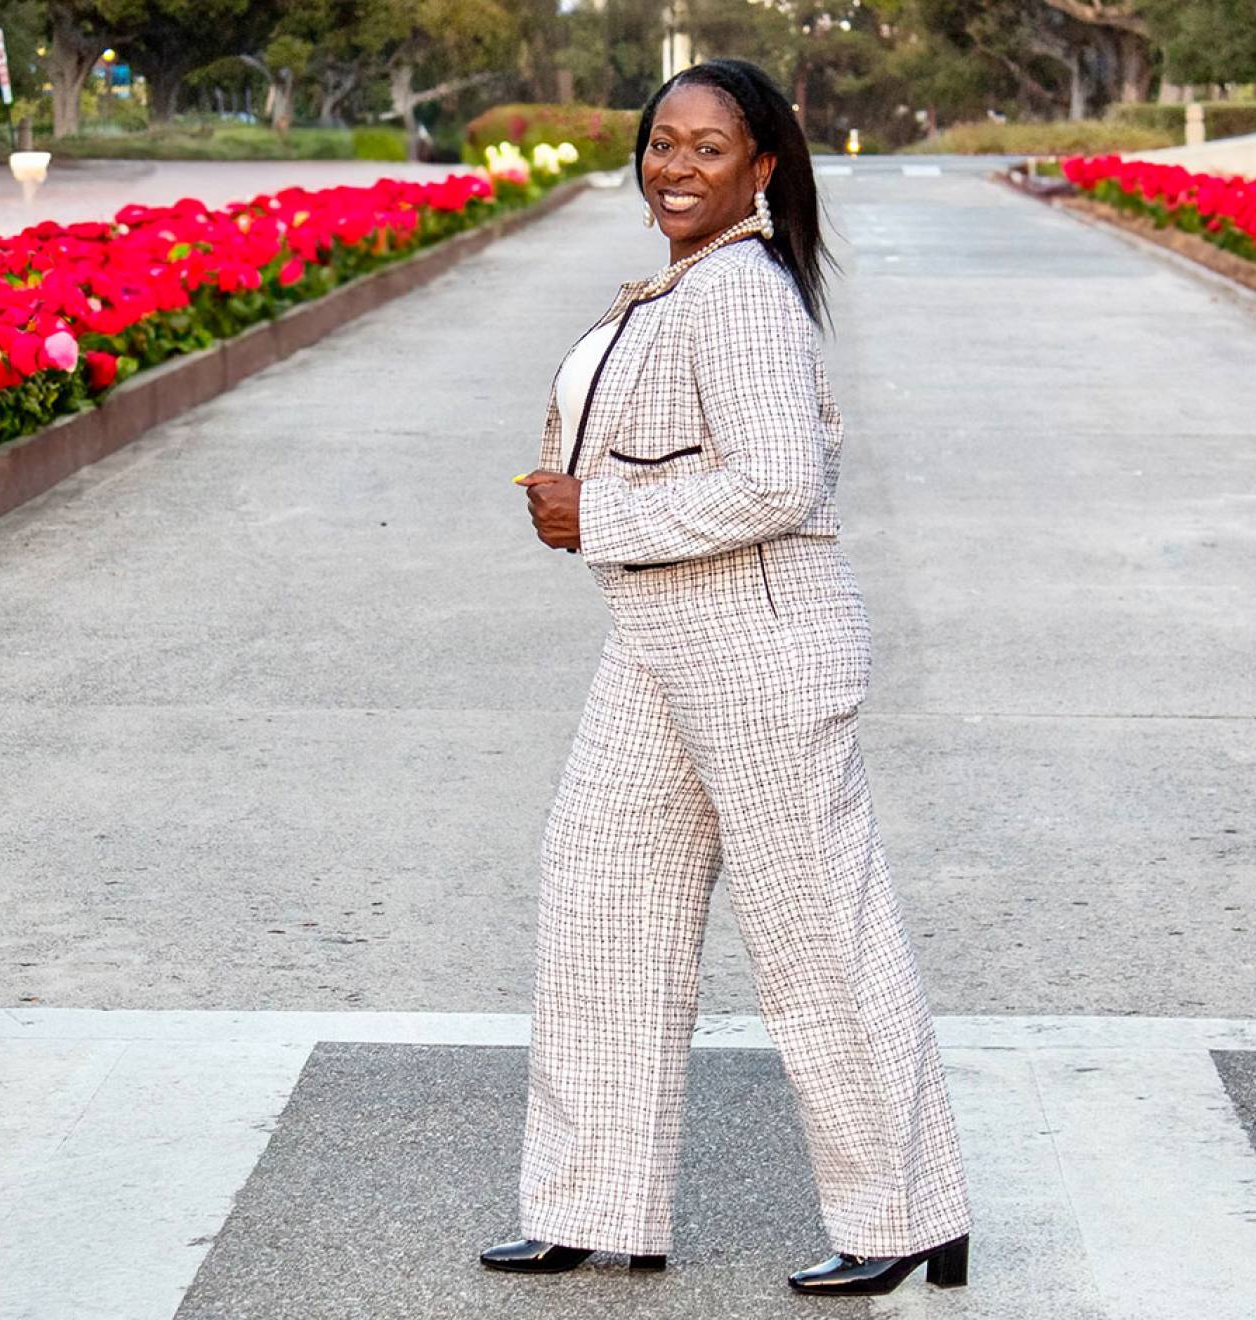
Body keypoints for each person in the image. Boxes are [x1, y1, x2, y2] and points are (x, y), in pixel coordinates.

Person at [480, 57, 973, 1297]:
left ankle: (907, 1213)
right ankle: (596, 1201)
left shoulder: (744, 293)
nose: (676, 167)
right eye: (661, 144)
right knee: (600, 894)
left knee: (816, 936)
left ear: (763, 167)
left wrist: (602, 512)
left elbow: (778, 484)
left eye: (708, 148)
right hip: (657, 642)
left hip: (757, 648)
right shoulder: (679, 284)